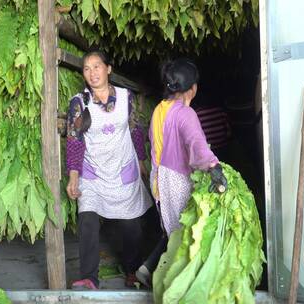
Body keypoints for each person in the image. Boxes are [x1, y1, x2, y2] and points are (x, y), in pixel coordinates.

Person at [135, 58, 228, 287]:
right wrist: (213, 167)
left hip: (159, 178)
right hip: (177, 180)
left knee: (171, 228)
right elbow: (197, 145)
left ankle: (147, 268)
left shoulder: (159, 109)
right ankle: (176, 283)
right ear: (193, 88)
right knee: (186, 232)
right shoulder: (186, 114)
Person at [65, 50, 152, 290]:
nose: (92, 73)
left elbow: (135, 130)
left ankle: (132, 270)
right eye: (86, 68)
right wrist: (74, 175)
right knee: (88, 221)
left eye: (96, 66)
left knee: (131, 226)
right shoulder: (79, 102)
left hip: (124, 167)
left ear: (108, 69)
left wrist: (142, 163)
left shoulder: (126, 97)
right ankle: (89, 276)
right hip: (92, 171)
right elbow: (74, 139)